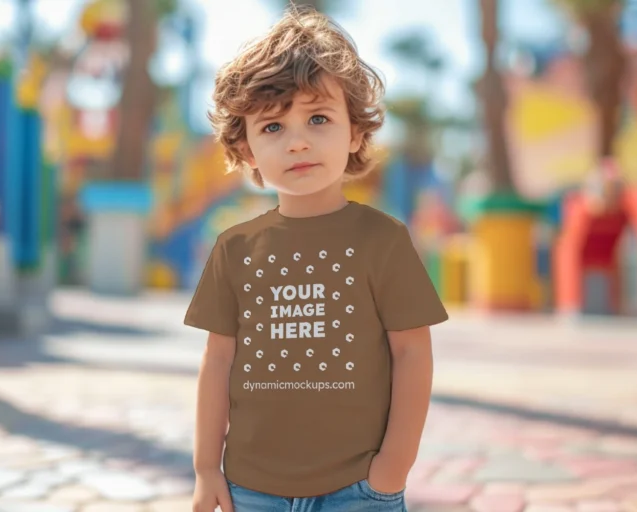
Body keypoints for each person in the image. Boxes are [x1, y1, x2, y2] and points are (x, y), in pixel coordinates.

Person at [184, 5, 449, 511]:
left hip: (360, 488)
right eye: (272, 128)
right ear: (245, 152)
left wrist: (393, 468)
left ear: (354, 132)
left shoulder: (384, 239)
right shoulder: (233, 248)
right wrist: (204, 468)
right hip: (251, 488)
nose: (298, 140)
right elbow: (218, 361)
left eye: (318, 117)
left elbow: (413, 354)